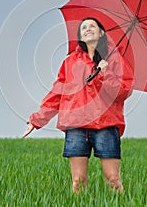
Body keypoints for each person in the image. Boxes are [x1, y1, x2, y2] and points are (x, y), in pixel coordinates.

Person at [22, 17, 134, 193]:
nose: (88, 29)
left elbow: (123, 92)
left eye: (92, 26)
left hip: (106, 124)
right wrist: (37, 120)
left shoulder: (114, 60)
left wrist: (105, 74)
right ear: (80, 36)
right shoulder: (70, 62)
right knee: (77, 181)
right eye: (84, 28)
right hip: (76, 125)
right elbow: (58, 93)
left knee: (113, 179)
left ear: (101, 33)